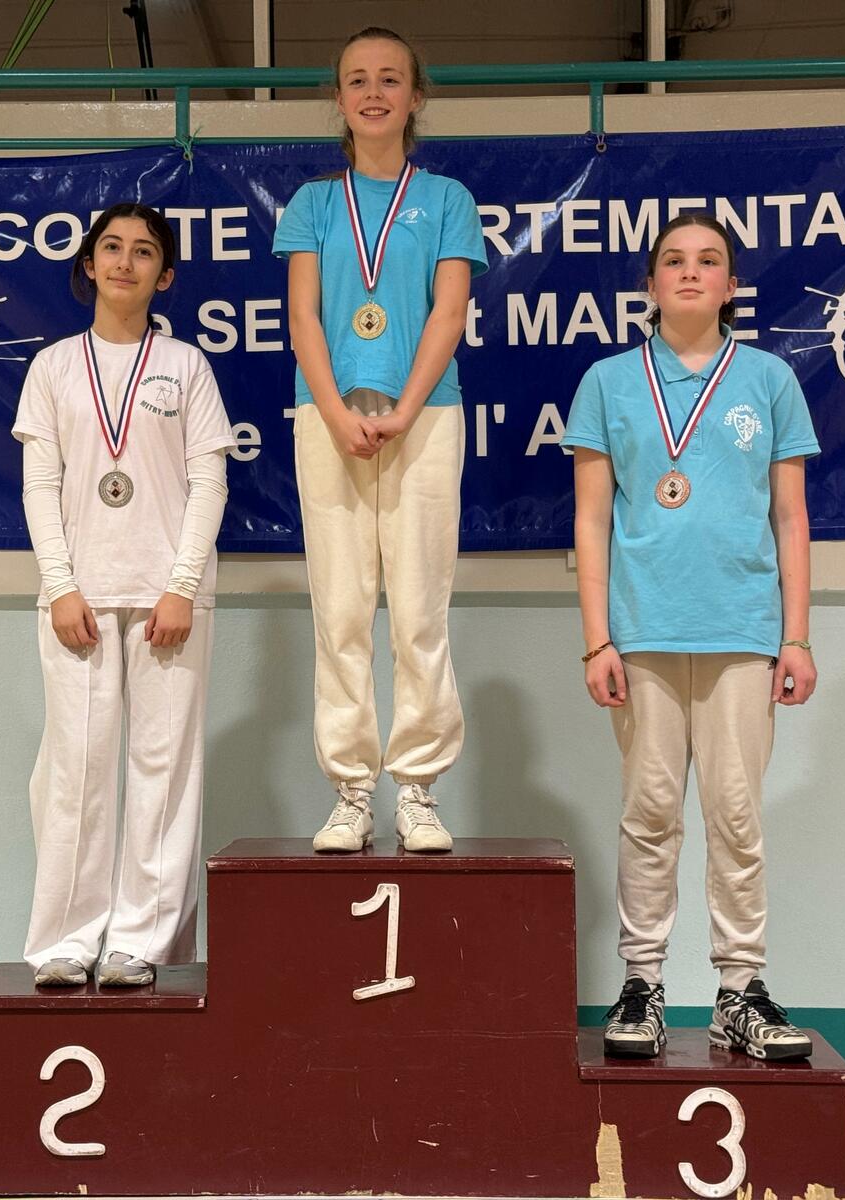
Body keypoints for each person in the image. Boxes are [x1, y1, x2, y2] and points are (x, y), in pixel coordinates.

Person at [563, 213, 821, 1060]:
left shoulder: (769, 379)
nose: (689, 271)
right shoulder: (607, 381)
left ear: (730, 285)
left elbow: (791, 517)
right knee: (649, 813)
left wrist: (796, 637)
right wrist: (597, 640)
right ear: (650, 284)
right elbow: (591, 520)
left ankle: (740, 989)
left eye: (709, 260)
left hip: (742, 631)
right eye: (672, 260)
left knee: (736, 816)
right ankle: (641, 982)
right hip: (642, 633)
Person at [273, 26, 488, 853]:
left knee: (420, 608)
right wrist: (334, 411)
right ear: (338, 98)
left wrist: (404, 409)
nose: (373, 92)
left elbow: (449, 312)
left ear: (415, 97)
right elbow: (303, 318)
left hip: (424, 416)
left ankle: (420, 789)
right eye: (357, 79)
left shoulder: (448, 200)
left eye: (390, 79)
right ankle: (352, 791)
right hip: (326, 413)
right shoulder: (312, 205)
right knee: (341, 608)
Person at [12, 203, 235, 988]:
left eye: (143, 252)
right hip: (78, 596)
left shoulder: (186, 367)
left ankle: (140, 942)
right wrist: (60, 585)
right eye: (111, 247)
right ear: (88, 265)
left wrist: (181, 587)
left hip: (169, 598)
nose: (124, 262)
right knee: (74, 769)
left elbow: (209, 482)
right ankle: (66, 941)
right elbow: (40, 486)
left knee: (163, 769)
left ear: (164, 276)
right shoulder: (52, 368)